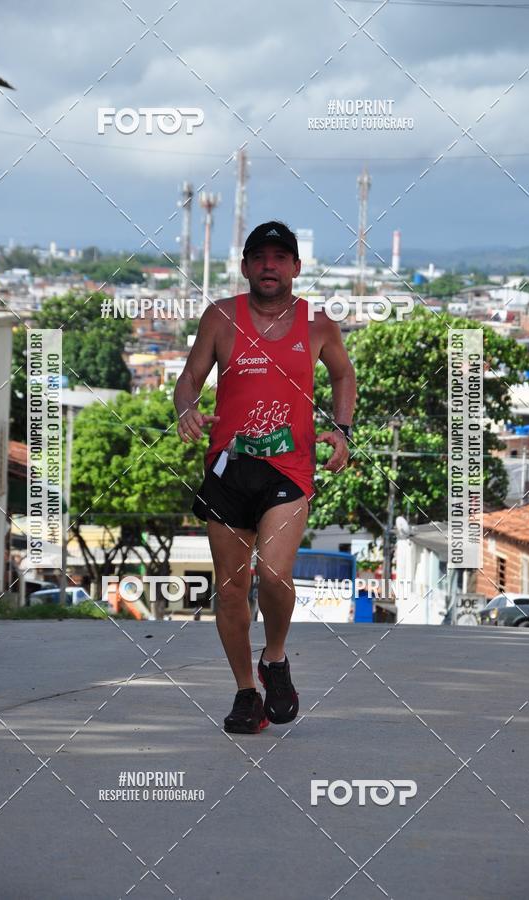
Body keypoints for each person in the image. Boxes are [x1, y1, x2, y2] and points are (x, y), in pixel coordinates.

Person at [174, 221, 357, 734]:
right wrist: (187, 408)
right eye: (260, 258)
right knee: (232, 592)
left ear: (296, 267)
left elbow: (343, 374)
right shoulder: (220, 317)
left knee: (274, 575)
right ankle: (245, 693)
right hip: (229, 468)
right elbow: (189, 378)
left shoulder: (318, 323)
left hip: (289, 467)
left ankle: (274, 657)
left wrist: (341, 430)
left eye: (280, 258)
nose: (269, 266)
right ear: (245, 267)